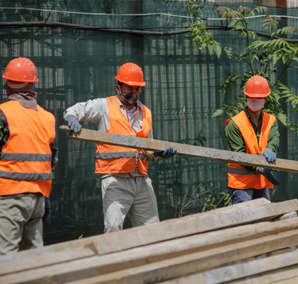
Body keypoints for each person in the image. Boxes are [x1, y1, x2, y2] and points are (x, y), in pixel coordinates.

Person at [64, 62, 176, 233]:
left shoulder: (146, 112)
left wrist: (159, 153)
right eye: (130, 88)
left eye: (137, 88)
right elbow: (77, 109)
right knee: (114, 229)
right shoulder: (104, 107)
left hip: (141, 180)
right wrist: (72, 117)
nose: (134, 92)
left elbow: (148, 148)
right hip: (115, 181)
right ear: (118, 87)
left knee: (152, 230)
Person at [0, 58, 56, 255]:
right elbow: (52, 159)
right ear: (33, 84)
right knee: (33, 256)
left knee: (6, 256)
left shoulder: (3, 114)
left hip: (9, 197)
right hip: (38, 199)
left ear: (7, 85)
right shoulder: (47, 117)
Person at [225, 75, 280, 204]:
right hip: (241, 185)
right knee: (245, 221)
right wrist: (259, 166)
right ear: (246, 98)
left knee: (265, 221)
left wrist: (270, 149)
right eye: (252, 97)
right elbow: (239, 154)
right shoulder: (235, 124)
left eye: (259, 98)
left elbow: (274, 139)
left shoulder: (271, 121)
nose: (255, 100)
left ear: (265, 99)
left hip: (261, 182)